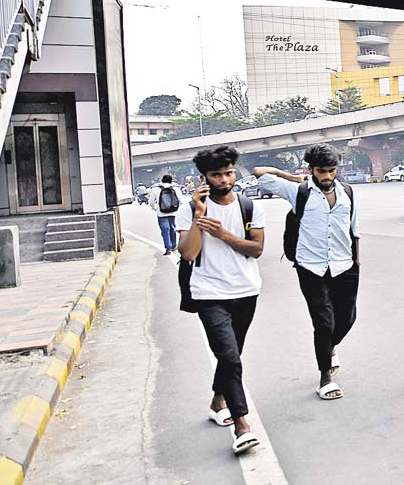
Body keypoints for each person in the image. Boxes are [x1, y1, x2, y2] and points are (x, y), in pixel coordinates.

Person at [176, 146, 265, 455]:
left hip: (245, 291)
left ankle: (218, 401)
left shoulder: (249, 206)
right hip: (208, 294)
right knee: (229, 357)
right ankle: (242, 425)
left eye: (228, 173)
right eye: (216, 175)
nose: (224, 179)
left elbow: (256, 249)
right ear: (205, 178)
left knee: (232, 354)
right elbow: (188, 253)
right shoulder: (190, 210)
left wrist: (224, 234)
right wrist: (201, 217)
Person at [254, 143, 360, 401]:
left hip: (344, 264)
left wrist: (357, 260)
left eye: (331, 170)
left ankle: (330, 347)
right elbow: (259, 173)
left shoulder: (347, 192)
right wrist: (293, 176)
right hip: (310, 267)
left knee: (346, 318)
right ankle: (326, 377)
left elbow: (353, 228)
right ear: (311, 169)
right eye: (321, 171)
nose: (326, 177)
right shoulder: (297, 191)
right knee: (323, 321)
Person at [150, 174, 182, 255]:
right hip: (174, 212)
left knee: (165, 230)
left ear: (162, 180)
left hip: (161, 213)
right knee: (173, 228)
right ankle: (174, 245)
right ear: (171, 180)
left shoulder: (156, 189)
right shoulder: (176, 188)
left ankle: (168, 248)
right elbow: (181, 201)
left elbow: (151, 202)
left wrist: (155, 208)